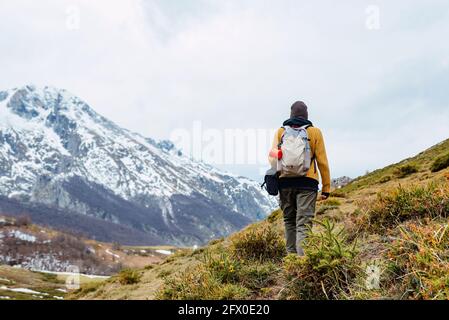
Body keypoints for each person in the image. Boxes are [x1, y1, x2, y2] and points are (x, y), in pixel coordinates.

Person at [269, 101, 330, 255]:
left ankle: (291, 260)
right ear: (306, 114)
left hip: (285, 183)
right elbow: (322, 161)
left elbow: (272, 158)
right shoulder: (315, 132)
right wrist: (326, 188)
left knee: (289, 221)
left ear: (291, 114)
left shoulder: (280, 132)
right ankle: (302, 263)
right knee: (304, 223)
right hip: (307, 183)